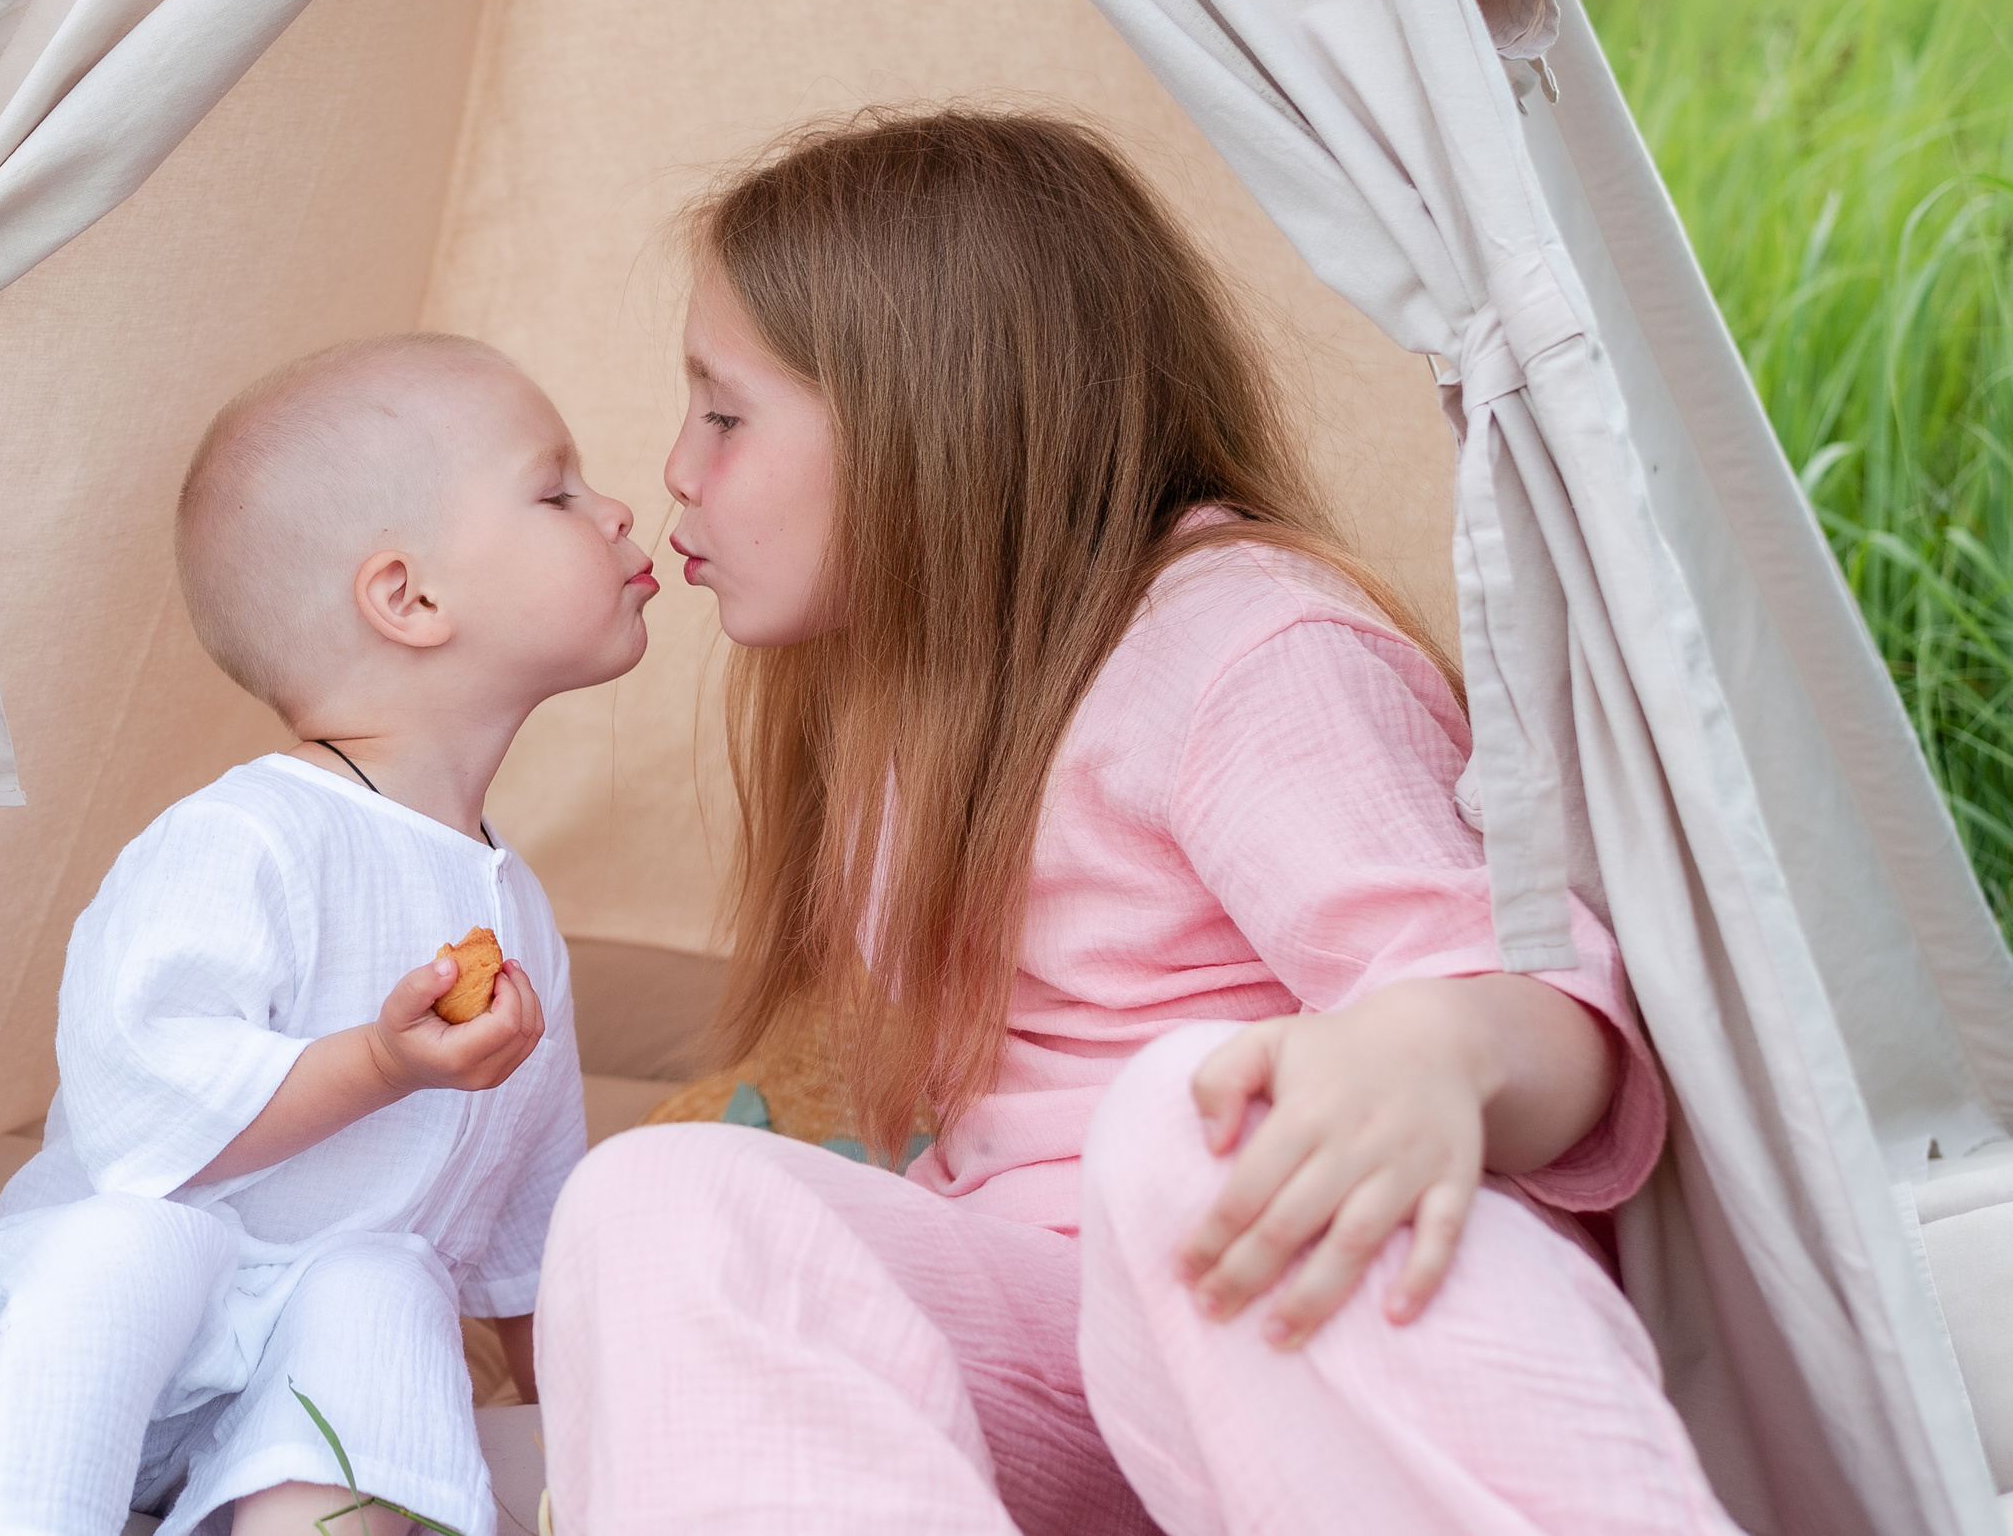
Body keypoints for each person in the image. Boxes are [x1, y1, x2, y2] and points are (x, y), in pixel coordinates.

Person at [536, 111, 1741, 1534]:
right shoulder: (906, 700)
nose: (676, 469)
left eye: (724, 413)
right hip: (1057, 1359)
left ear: (938, 420)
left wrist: (1441, 1046)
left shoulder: (1243, 645)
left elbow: (1536, 996)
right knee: (659, 1201)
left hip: (1284, 1359)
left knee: (1192, 1121)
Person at [0, 335, 656, 1536]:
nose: (618, 510)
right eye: (558, 490)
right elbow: (141, 1106)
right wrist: (378, 1063)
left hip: (285, 1369)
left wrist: (604, 1438)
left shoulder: (515, 914)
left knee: (384, 1279)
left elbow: (527, 1217)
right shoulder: (245, 838)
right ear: (409, 597)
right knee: (139, 1245)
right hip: (86, 1352)